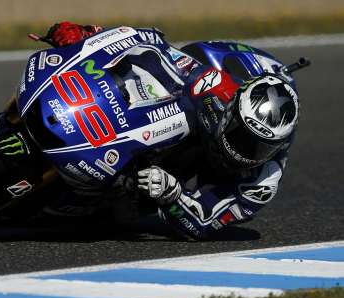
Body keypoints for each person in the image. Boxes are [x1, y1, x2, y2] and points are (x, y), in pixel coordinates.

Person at [27, 22, 301, 239]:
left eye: (257, 146)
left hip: (183, 175)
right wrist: (86, 35)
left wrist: (173, 197)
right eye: (240, 135)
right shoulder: (214, 85)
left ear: (278, 145)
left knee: (120, 215)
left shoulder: (263, 182)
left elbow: (204, 225)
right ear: (231, 109)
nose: (244, 149)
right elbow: (149, 42)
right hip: (204, 94)